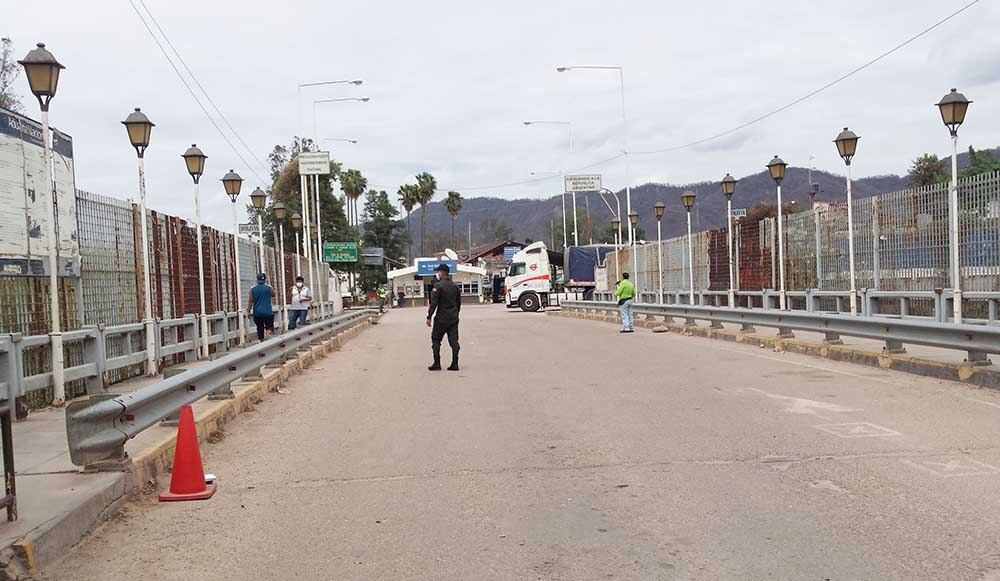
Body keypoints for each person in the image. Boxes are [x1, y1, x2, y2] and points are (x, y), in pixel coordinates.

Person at [426, 263, 461, 371]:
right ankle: (455, 364)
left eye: (438, 272)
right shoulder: (455, 286)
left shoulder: (438, 286)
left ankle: (437, 363)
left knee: (436, 340)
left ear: (442, 273)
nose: (438, 274)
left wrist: (429, 316)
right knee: (453, 341)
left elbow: (434, 303)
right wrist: (455, 314)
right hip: (453, 318)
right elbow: (458, 303)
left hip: (441, 319)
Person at [248, 273, 274, 341]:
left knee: (260, 328)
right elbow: (273, 294)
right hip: (268, 312)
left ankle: (262, 341)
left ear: (257, 280)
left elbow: (250, 301)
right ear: (265, 280)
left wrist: (248, 311)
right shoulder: (269, 288)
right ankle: (268, 334)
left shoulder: (252, 289)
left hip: (257, 313)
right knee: (269, 326)